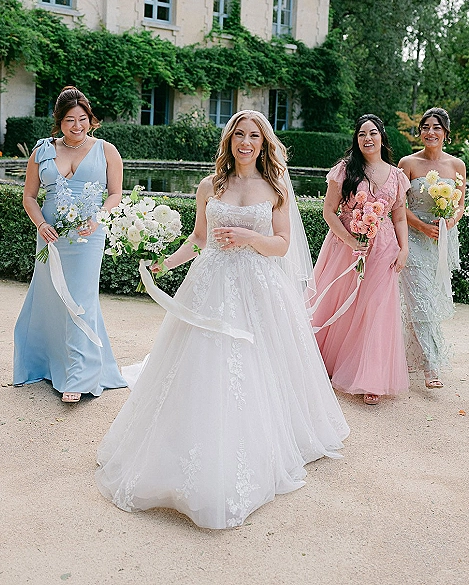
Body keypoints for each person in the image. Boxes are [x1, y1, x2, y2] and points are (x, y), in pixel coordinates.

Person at [95, 110, 349, 529]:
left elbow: (283, 245)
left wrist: (250, 238)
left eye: (253, 136)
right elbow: (199, 240)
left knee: (257, 368)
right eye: (238, 135)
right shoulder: (209, 186)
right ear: (229, 140)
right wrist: (164, 263)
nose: (245, 142)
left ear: (264, 143)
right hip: (211, 286)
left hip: (257, 290)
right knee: (200, 366)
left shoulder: (275, 186)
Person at [13, 86, 127, 403]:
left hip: (89, 235)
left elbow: (116, 194)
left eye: (82, 119)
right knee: (50, 298)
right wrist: (42, 223)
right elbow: (30, 197)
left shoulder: (107, 151)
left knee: (81, 299)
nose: (77, 126)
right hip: (51, 236)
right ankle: (43, 363)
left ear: (90, 119)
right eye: (69, 120)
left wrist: (100, 217)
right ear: (59, 122)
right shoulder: (42, 151)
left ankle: (78, 376)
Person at [311, 114, 410, 405]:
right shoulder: (345, 170)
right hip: (347, 245)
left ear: (382, 137)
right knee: (341, 301)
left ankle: (371, 378)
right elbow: (329, 212)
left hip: (384, 248)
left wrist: (404, 249)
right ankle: (326, 363)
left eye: (373, 133)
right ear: (356, 139)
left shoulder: (396, 175)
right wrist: (352, 240)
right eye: (361, 134)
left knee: (376, 307)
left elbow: (400, 215)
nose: (367, 138)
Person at [398, 107, 465, 389]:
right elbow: (397, 206)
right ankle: (431, 364)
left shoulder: (456, 165)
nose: (430, 132)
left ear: (446, 133)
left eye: (436, 127)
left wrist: (451, 219)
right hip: (413, 238)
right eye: (425, 127)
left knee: (429, 301)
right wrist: (422, 226)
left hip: (441, 240)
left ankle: (408, 355)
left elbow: (460, 204)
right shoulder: (407, 163)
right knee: (419, 298)